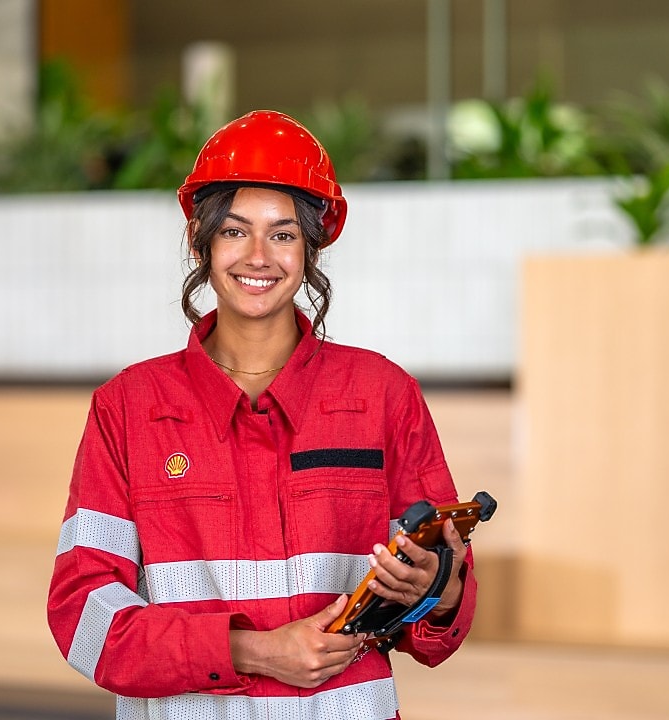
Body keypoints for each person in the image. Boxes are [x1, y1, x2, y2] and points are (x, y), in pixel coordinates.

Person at [47, 110, 476, 719]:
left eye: (281, 234)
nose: (257, 256)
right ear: (202, 241)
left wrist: (437, 588)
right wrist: (251, 651)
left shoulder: (382, 392)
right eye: (234, 231)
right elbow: (82, 616)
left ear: (309, 248)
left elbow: (444, 610)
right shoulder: (128, 407)